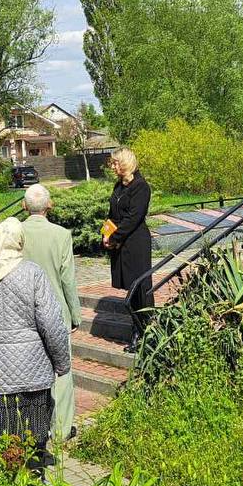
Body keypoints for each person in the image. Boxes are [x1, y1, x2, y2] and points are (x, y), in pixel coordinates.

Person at [0, 218, 70, 471]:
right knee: (35, 430)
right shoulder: (33, 273)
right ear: (20, 241)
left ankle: (5, 483)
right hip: (33, 368)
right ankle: (35, 478)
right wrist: (62, 362)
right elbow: (51, 323)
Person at [20, 183, 81, 442]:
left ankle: (29, 424)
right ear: (50, 205)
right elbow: (68, 279)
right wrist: (75, 314)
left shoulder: (16, 232)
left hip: (23, 312)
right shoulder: (61, 235)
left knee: (26, 369)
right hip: (56, 312)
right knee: (62, 370)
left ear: (24, 206)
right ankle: (61, 428)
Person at [106, 148, 152, 353]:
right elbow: (112, 214)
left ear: (125, 163)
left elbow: (133, 218)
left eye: (116, 163)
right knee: (130, 288)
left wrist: (114, 237)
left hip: (136, 243)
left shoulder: (141, 187)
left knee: (140, 287)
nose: (113, 166)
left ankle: (143, 331)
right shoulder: (119, 186)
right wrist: (106, 234)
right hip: (121, 242)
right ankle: (137, 327)